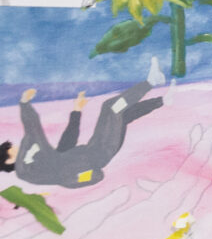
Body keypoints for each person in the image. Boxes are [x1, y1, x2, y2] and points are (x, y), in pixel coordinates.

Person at [5, 56, 167, 189]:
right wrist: (93, 174)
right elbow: (34, 132)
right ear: (8, 160)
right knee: (111, 109)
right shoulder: (27, 170)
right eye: (10, 149)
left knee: (120, 116)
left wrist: (76, 111)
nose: (15, 146)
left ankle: (163, 100)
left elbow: (64, 145)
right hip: (101, 152)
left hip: (94, 148)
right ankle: (151, 82)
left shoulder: (41, 161)